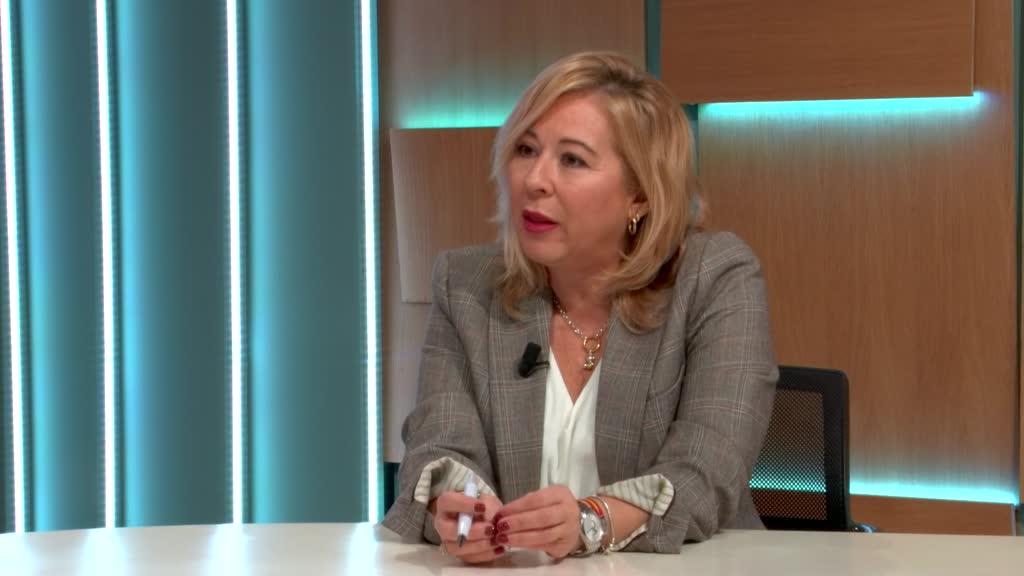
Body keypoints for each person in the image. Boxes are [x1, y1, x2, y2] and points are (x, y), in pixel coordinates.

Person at [382, 51, 777, 562]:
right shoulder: (466, 285)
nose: (535, 180)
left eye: (572, 159)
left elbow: (706, 470)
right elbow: (439, 445)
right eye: (526, 149)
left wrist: (591, 521)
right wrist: (461, 513)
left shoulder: (713, 277)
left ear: (640, 194)